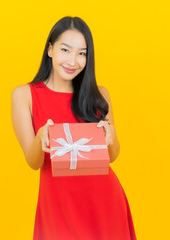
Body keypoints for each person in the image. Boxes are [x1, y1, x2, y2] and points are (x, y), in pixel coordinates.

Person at [11, 16, 137, 240]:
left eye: (82, 53)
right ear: (50, 50)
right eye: (65, 50)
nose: (73, 60)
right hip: (58, 208)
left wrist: (112, 137)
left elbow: (113, 156)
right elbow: (33, 162)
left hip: (105, 206)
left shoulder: (100, 95)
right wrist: (41, 139)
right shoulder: (25, 95)